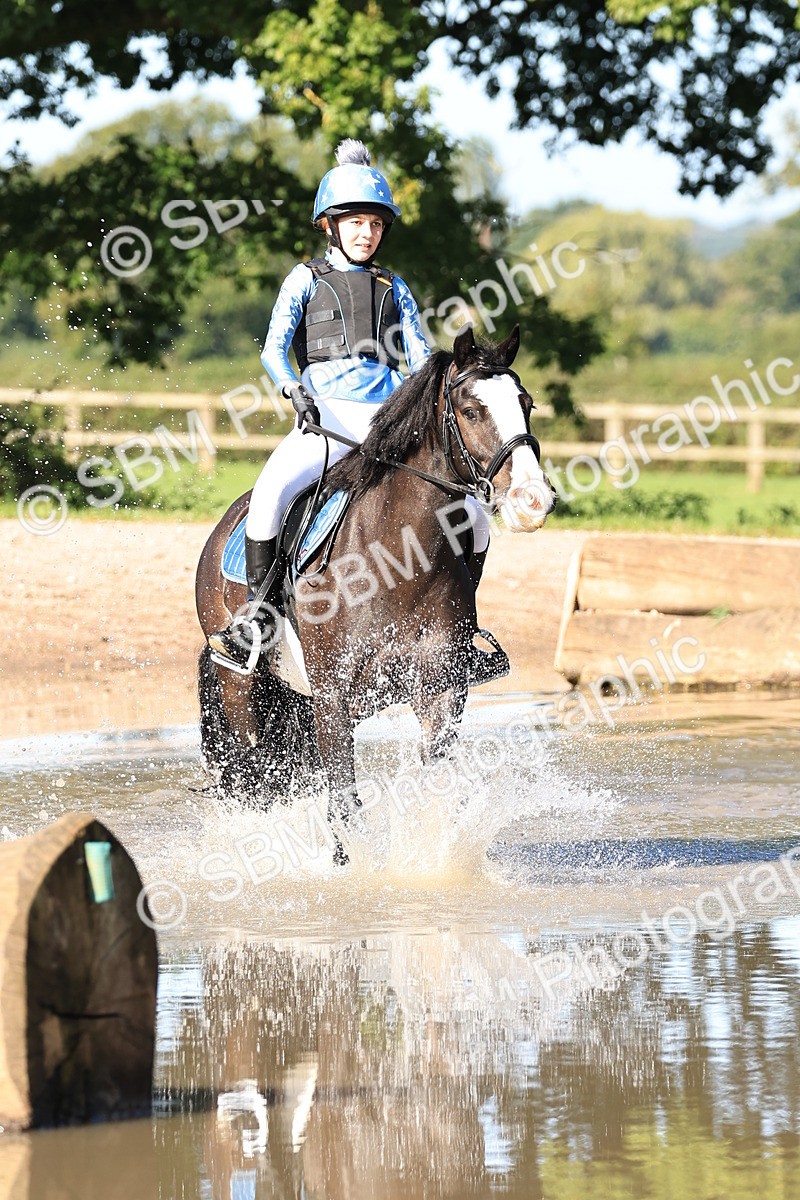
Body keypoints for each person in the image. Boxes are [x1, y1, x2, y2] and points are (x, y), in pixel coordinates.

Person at [208, 140, 501, 684]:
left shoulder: (397, 289)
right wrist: (292, 389)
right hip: (324, 419)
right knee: (270, 494)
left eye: (375, 224)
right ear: (329, 225)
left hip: (386, 421)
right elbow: (273, 350)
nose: (367, 232)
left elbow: (420, 361)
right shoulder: (305, 280)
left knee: (476, 515)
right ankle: (256, 621)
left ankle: (466, 633)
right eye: (356, 222)